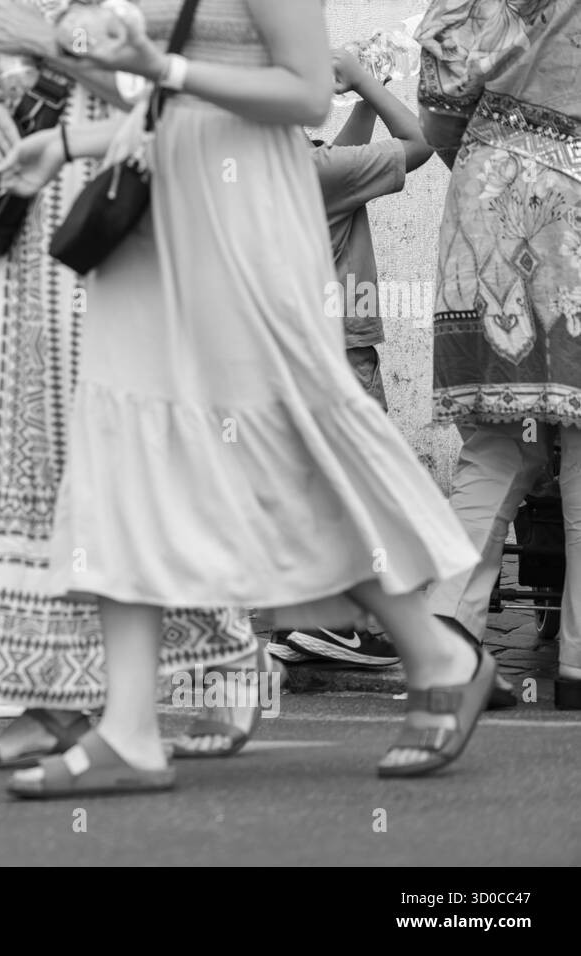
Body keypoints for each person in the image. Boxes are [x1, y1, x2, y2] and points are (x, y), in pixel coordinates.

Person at [0, 0, 491, 797]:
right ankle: (127, 730)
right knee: (123, 443)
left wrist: (159, 68)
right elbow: (172, 112)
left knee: (282, 449)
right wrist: (65, 136)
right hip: (158, 213)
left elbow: (302, 96)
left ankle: (437, 653)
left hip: (242, 220)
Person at [0, 0, 263, 768]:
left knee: (126, 457)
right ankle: (49, 702)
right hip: (15, 234)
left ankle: (226, 661)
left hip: (113, 216)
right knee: (25, 463)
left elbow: (172, 102)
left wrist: (50, 44)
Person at [415, 0, 581, 710]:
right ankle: (577, 669)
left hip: (490, 205)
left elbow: (440, 109)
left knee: (496, 447)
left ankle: (445, 653)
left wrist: (503, 155)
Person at [268, 46, 434, 671]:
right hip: (340, 351)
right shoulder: (320, 172)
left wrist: (363, 100)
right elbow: (416, 143)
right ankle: (341, 623)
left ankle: (310, 620)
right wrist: (366, 79)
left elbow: (343, 160)